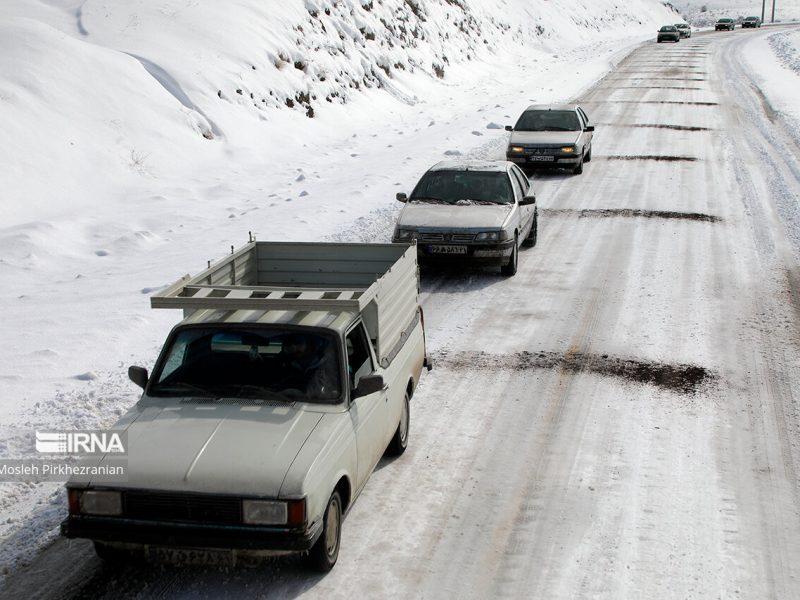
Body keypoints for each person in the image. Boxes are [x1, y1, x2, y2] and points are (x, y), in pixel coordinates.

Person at [278, 334, 340, 400]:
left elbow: (337, 393)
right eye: (288, 344)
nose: (293, 347)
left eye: (298, 343)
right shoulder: (284, 365)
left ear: (311, 344)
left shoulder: (331, 364)